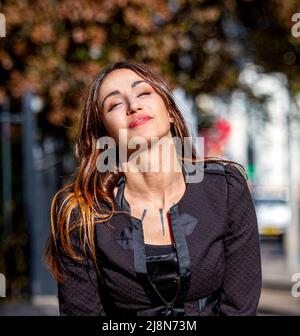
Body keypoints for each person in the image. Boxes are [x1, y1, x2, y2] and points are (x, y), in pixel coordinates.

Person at [44, 61, 262, 316]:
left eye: (144, 93)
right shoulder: (81, 214)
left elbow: (241, 308)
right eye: (114, 104)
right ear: (104, 133)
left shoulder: (225, 188)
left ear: (169, 111)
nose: (133, 106)